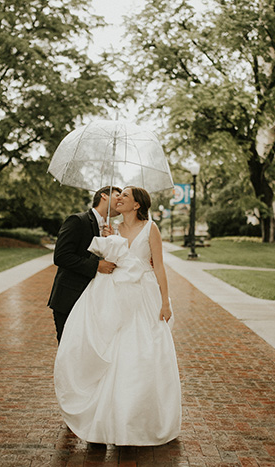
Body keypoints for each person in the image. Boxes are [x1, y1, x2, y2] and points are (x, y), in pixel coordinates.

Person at [53, 186, 181, 446]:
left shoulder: (151, 228)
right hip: (115, 295)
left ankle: (140, 418)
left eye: (125, 196)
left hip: (143, 296)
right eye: (117, 194)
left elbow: (159, 267)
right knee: (114, 353)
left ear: (137, 205)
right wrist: (108, 242)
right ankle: (107, 414)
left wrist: (165, 301)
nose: (119, 198)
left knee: (142, 354)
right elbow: (105, 260)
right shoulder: (112, 229)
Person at [47, 185, 122, 342]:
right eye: (117, 196)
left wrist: (110, 242)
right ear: (104, 196)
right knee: (69, 350)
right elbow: (61, 256)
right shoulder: (77, 221)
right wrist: (97, 266)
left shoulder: (110, 230)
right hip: (70, 298)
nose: (120, 200)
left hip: (95, 301)